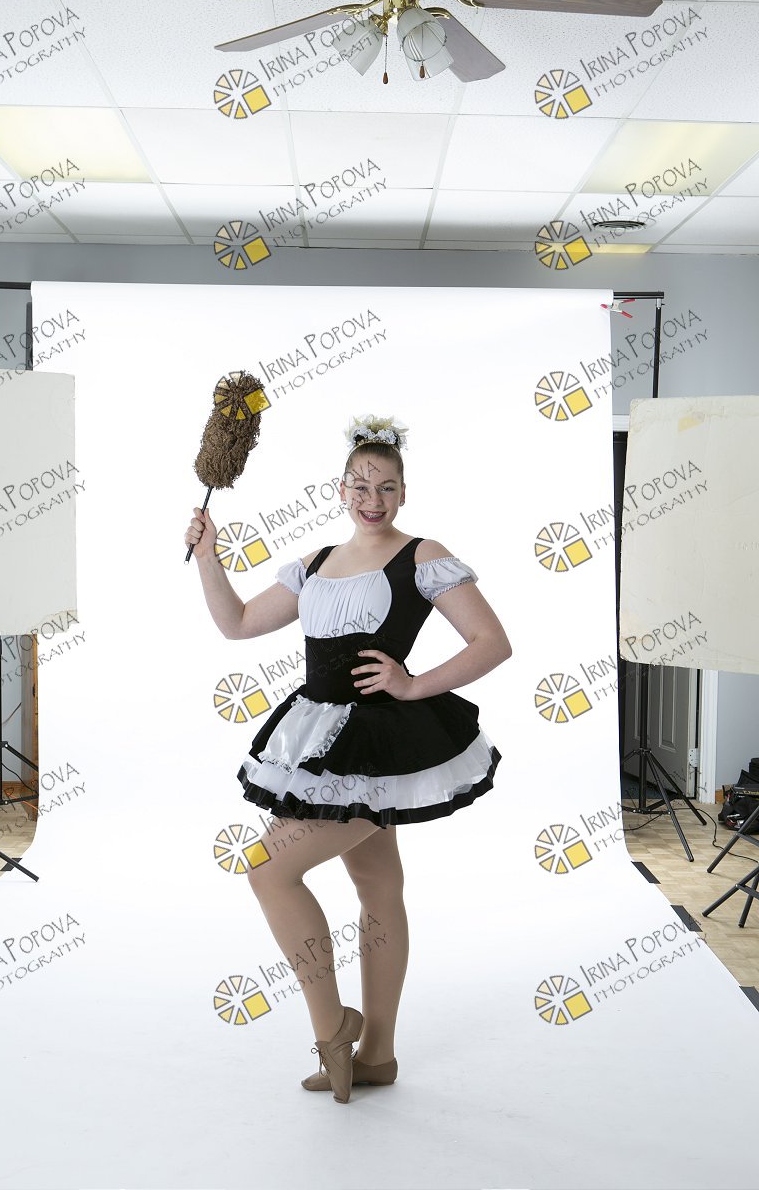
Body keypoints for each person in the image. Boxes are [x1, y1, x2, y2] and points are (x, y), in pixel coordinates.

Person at [185, 413, 512, 1104]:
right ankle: (378, 1057)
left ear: (403, 493)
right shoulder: (315, 563)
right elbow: (237, 624)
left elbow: (491, 641)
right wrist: (209, 556)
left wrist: (413, 684)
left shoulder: (422, 556)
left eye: (386, 487)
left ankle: (334, 1031)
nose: (373, 498)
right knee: (377, 884)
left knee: (269, 869)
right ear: (340, 490)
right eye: (360, 485)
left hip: (380, 742)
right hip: (319, 734)